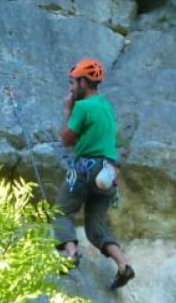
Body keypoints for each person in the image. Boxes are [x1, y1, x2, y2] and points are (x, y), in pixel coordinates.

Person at [53, 58, 135, 289]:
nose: (70, 88)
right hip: (108, 172)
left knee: (61, 211)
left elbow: (66, 138)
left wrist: (68, 110)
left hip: (85, 169)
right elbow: (94, 136)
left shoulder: (82, 107)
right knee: (96, 227)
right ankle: (123, 265)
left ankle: (71, 254)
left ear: (84, 82)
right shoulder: (105, 107)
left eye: (72, 83)